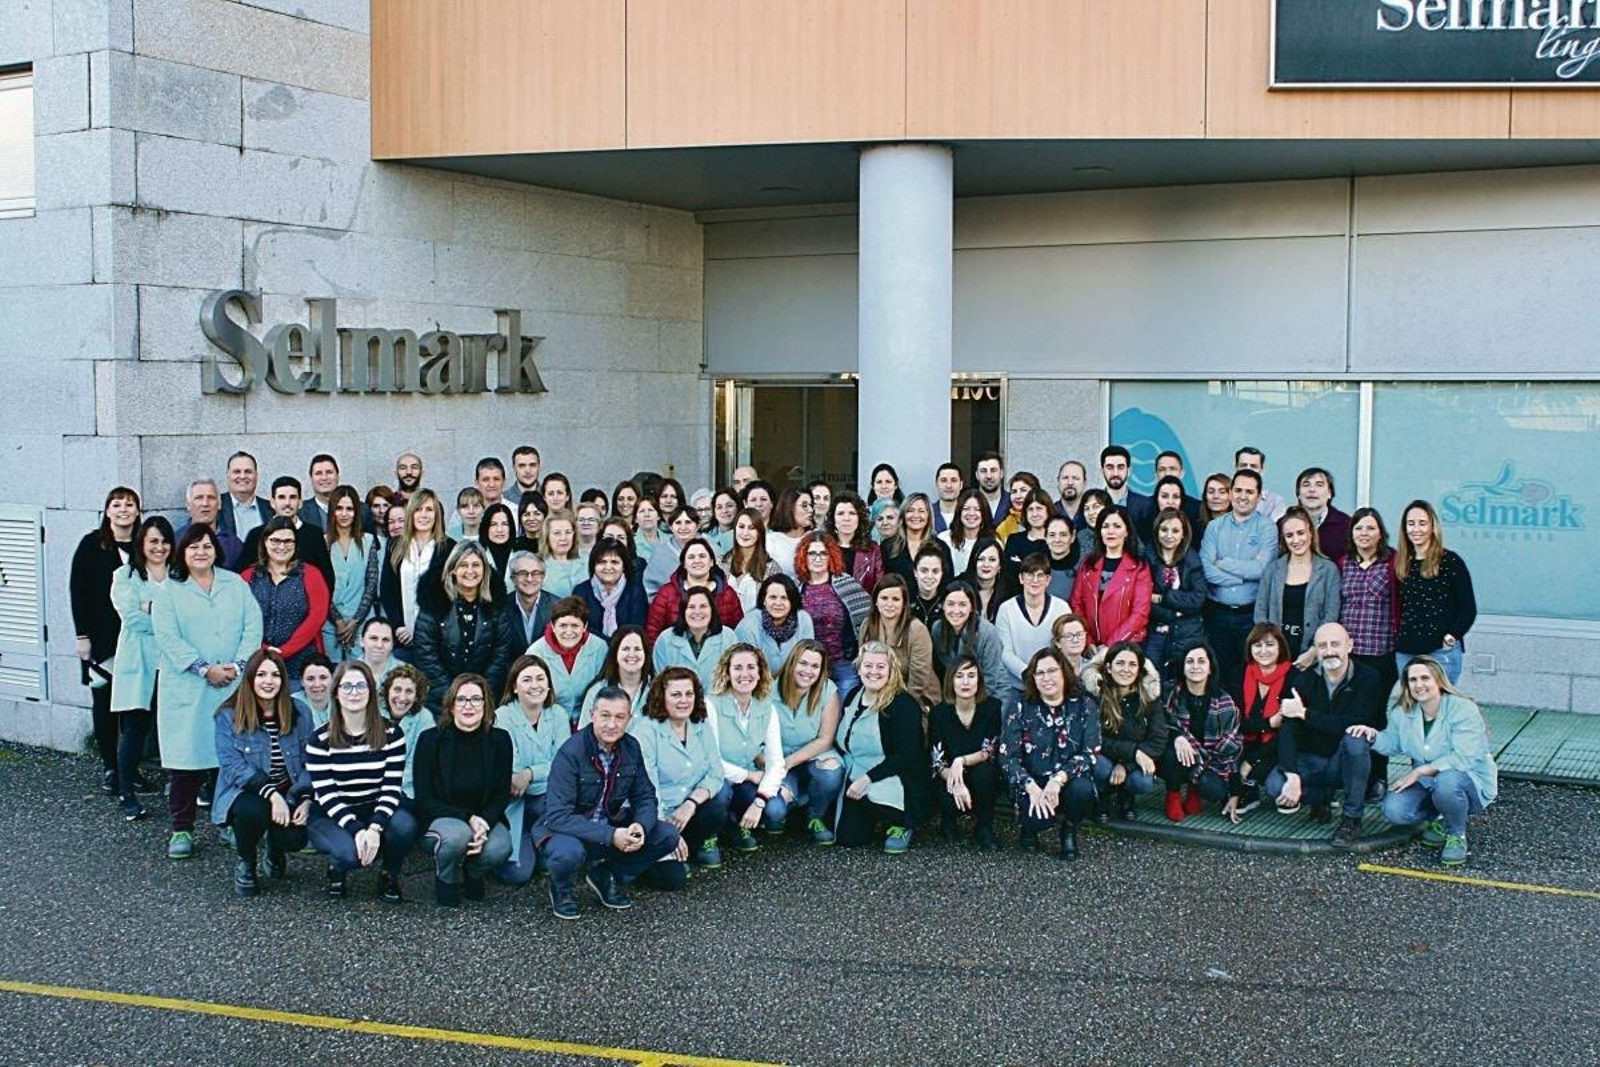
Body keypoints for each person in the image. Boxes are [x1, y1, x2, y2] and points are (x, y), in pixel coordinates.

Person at [152, 524, 264, 860]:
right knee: (186, 763)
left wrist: (239, 665)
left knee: (228, 761)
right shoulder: (169, 591)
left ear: (216, 549)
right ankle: (182, 828)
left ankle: (228, 822)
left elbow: (252, 624)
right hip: (190, 686)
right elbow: (168, 638)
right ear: (181, 553)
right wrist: (204, 668)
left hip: (231, 683)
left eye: (206, 546)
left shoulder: (235, 584)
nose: (200, 552)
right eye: (192, 547)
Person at [537, 686, 681, 918]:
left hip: (610, 824)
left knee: (667, 835)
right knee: (567, 853)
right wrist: (611, 835)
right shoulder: (571, 752)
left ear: (628, 719)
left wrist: (640, 826)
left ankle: (608, 875)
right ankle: (561, 888)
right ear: (592, 714)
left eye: (619, 717)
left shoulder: (631, 746)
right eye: (605, 716)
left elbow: (644, 796)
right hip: (570, 831)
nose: (612, 724)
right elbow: (558, 816)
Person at [1355, 656, 1498, 867]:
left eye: (1425, 678)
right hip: (1430, 785)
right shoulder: (1402, 713)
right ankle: (1441, 818)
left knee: (1447, 782)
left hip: (1467, 782)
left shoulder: (1462, 709)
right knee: (1394, 809)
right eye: (1413, 680)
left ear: (1438, 681)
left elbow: (1465, 756)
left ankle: (1456, 835)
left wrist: (1420, 771)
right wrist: (1372, 736)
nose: (1419, 685)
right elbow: (1392, 743)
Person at [305, 660, 417, 901]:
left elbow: (391, 787)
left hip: (375, 807)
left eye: (361, 686)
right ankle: (337, 866)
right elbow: (327, 795)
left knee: (405, 825)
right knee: (349, 855)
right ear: (335, 692)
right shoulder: (319, 739)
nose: (354, 692)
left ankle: (389, 873)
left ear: (371, 692)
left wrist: (375, 828)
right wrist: (356, 830)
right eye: (346, 686)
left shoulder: (392, 734)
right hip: (331, 814)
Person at [1264, 623, 1381, 848]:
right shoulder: (1303, 679)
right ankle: (1321, 797)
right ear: (1315, 651)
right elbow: (1289, 727)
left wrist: (1305, 714)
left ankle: (1352, 819)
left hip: (1345, 760)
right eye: (1322, 645)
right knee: (1275, 786)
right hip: (1312, 757)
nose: (1329, 651)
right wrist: (1292, 775)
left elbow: (1354, 723)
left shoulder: (1368, 678)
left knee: (1356, 738)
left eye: (1335, 644)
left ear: (1350, 646)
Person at [213, 649, 313, 896]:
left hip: (288, 790)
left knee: (296, 838)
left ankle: (275, 847)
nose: (269, 681)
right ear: (249, 679)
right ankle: (246, 862)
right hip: (247, 791)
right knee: (253, 811)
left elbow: (311, 760)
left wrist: (306, 798)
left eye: (275, 675)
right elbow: (232, 766)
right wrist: (271, 794)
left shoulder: (300, 712)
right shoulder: (228, 715)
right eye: (261, 675)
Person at [413, 673, 514, 906]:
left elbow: (501, 793)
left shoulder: (500, 740)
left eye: (476, 699)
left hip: (484, 818)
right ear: (450, 705)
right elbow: (424, 798)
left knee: (500, 846)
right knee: (458, 836)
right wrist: (469, 819)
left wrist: (485, 822)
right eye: (461, 699)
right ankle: (445, 877)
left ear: (486, 704)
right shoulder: (430, 740)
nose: (469, 706)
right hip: (442, 820)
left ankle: (473, 871)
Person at [632, 667, 732, 886]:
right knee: (673, 880)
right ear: (662, 697)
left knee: (717, 806)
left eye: (689, 694)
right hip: (654, 815)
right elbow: (647, 790)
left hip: (686, 811)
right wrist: (667, 833)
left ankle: (687, 847)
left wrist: (691, 803)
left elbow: (716, 773)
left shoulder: (700, 724)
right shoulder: (645, 731)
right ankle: (637, 860)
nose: (683, 700)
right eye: (676, 694)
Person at [72, 486, 141, 798]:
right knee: (104, 705)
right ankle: (110, 768)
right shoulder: (92, 544)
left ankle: (131, 768)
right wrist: (82, 636)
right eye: (117, 504)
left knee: (136, 709)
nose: (124, 510)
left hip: (137, 639)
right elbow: (79, 591)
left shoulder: (144, 545)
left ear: (138, 511)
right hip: (102, 640)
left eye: (129, 504)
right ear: (108, 510)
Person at [999, 647, 1099, 858]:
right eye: (1040, 673)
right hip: (1032, 781)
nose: (1046, 678)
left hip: (1067, 779)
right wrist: (1031, 787)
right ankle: (1029, 830)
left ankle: (1069, 830)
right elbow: (1008, 756)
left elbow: (1090, 753)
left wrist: (1058, 780)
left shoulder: (1085, 704)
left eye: (1052, 671)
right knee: (1037, 819)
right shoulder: (1020, 704)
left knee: (1083, 789)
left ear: (1064, 672)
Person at [108, 516, 174, 820]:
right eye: (153, 541)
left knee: (172, 727)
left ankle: (181, 787)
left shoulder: (179, 574)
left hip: (173, 663)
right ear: (141, 544)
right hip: (140, 661)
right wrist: (166, 617)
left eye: (164, 541)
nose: (159, 547)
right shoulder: (125, 575)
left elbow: (188, 613)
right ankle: (126, 793)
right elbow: (132, 618)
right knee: (135, 728)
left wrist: (150, 607)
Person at [835, 643, 927, 853]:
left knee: (877, 801)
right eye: (868, 666)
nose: (873, 672)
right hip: (856, 773)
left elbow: (907, 756)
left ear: (891, 670)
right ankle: (873, 817)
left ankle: (901, 823)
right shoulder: (852, 697)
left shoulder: (903, 704)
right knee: (849, 839)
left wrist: (867, 779)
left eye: (880, 667)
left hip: (894, 775)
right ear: (859, 668)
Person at [492, 653, 570, 886]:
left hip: (545, 799)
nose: (534, 685)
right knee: (517, 875)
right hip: (513, 802)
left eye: (540, 678)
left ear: (548, 685)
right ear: (514, 687)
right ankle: (521, 837)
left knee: (551, 862)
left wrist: (530, 774)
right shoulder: (502, 717)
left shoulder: (558, 715)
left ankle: (539, 840)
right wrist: (526, 775)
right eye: (526, 680)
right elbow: (511, 771)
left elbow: (564, 765)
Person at [412, 541, 517, 712]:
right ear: (452, 569)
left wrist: (480, 694)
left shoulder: (496, 606)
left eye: (476, 565)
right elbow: (426, 655)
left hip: (485, 699)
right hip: (441, 701)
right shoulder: (433, 603)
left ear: (485, 570)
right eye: (463, 565)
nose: (470, 571)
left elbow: (501, 652)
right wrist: (453, 696)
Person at [703, 644, 788, 851]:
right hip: (717, 777)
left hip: (744, 779)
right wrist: (749, 775)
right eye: (737, 668)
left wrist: (759, 802)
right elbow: (710, 760)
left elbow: (776, 762)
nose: (744, 674)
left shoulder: (767, 708)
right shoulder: (711, 704)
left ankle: (737, 825)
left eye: (751, 667)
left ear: (760, 673)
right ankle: (708, 835)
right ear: (728, 672)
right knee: (720, 792)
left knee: (775, 809)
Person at [1199, 468, 1277, 692]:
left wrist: (1225, 563)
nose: (1243, 496)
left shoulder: (1267, 528)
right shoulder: (1215, 527)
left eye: (1249, 492)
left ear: (1259, 495)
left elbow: (1262, 569)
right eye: (1239, 490)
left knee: (1248, 676)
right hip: (1217, 614)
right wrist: (1243, 577)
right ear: (1231, 493)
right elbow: (1206, 569)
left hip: (1250, 615)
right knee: (1216, 673)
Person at [1395, 500, 1477, 685]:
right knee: (1411, 706)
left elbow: (1468, 608)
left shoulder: (1450, 562)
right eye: (1411, 523)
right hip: (1407, 650)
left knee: (1440, 707)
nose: (1416, 529)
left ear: (1433, 527)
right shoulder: (1401, 563)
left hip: (1440, 651)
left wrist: (1452, 636)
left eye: (1422, 523)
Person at [771, 640, 845, 846]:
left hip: (814, 755)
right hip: (778, 759)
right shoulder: (768, 690)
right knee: (774, 811)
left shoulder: (828, 690)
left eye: (815, 666)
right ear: (792, 662)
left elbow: (825, 739)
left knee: (832, 772)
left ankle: (815, 816)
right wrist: (775, 766)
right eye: (803, 663)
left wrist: (789, 762)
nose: (808, 671)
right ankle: (792, 801)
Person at [1160, 642, 1242, 823]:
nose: (1195, 666)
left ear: (1210, 668)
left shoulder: (1225, 703)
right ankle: (1173, 795)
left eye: (1201, 661)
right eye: (1189, 661)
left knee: (1215, 790)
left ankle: (1194, 789)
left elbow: (1233, 749)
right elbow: (1159, 724)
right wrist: (1177, 736)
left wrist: (1235, 793)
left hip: (1208, 761)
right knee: (1173, 752)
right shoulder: (1169, 692)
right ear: (1183, 667)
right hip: (1178, 757)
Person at [1084, 642, 1167, 820]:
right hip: (1104, 756)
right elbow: (1093, 738)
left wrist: (1126, 765)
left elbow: (1158, 739)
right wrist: (1134, 752)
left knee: (1143, 780)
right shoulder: (1094, 695)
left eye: (1132, 664)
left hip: (1131, 762)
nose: (1126, 670)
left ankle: (1126, 795)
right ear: (1108, 667)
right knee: (1100, 766)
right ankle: (1101, 796)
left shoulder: (1149, 697)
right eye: (1120, 663)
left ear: (1139, 670)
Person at [928, 655, 1003, 851]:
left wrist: (961, 761)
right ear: (951, 681)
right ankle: (948, 821)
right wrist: (956, 780)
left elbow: (990, 749)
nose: (966, 682)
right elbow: (937, 760)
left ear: (979, 680)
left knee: (986, 773)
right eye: (959, 676)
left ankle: (984, 826)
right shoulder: (939, 713)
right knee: (944, 792)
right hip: (949, 776)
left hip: (979, 770)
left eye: (971, 675)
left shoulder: (992, 707)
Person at [242, 516, 331, 678]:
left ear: (296, 544)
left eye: (288, 541)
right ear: (265, 542)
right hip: (257, 661)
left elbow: (317, 617)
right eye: (275, 540)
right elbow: (238, 619)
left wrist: (284, 651)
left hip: (302, 663)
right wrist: (263, 649)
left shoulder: (311, 574)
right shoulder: (248, 578)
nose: (282, 546)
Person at [1255, 506, 1342, 669]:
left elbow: (1331, 615)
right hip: (1276, 655)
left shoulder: (1329, 570)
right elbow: (1260, 612)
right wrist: (1270, 649)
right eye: (1289, 535)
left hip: (1313, 655)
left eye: (1300, 533)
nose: (1296, 540)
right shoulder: (1272, 570)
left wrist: (1313, 652)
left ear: (1310, 533)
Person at [378, 489, 454, 659]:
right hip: (402, 639)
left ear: (437, 514)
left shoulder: (449, 548)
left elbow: (452, 596)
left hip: (438, 641)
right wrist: (398, 626)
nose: (423, 515)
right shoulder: (395, 545)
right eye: (418, 509)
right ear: (411, 513)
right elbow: (387, 590)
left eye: (429, 509)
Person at [796, 532, 872, 695]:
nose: (818, 558)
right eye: (812, 553)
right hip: (809, 666)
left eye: (823, 553)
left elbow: (866, 619)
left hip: (843, 665)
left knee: (846, 713)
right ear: (804, 556)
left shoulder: (847, 584)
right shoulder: (796, 589)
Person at [1338, 507, 1400, 703]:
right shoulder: (1343, 563)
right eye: (1358, 528)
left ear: (1380, 533)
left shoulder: (1393, 561)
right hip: (1350, 650)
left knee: (1378, 705)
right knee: (1350, 703)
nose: (1364, 533)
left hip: (1381, 650)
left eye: (1371, 528)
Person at [1069, 506, 1152, 648]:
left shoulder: (1139, 568)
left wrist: (1110, 646)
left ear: (1127, 531)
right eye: (1105, 526)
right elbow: (1076, 604)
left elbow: (1140, 614)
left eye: (1117, 526)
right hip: (1091, 647)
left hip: (1126, 646)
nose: (1110, 531)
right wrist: (1087, 641)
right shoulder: (1088, 563)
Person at [1236, 623, 1293, 817]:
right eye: (1257, 645)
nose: (1263, 651)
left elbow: (1288, 733)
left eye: (1269, 645)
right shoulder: (1238, 673)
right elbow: (1234, 722)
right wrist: (1268, 723)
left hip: (1278, 747)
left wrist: (1251, 762)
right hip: (1242, 741)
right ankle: (1249, 790)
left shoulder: (1295, 677)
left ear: (1280, 647)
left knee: (1274, 786)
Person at [1144, 507, 1206, 682]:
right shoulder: (1146, 558)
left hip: (1187, 634)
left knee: (1182, 684)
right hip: (1155, 633)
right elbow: (1144, 600)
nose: (1169, 535)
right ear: (1157, 531)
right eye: (1164, 530)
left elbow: (1198, 599)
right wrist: (1175, 612)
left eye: (1175, 530)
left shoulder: (1192, 559)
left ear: (1183, 534)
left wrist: (1164, 598)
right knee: (1152, 684)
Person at [859, 574, 940, 708]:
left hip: (915, 697)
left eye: (896, 599)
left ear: (904, 604)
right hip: (876, 695)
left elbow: (918, 680)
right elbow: (864, 666)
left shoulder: (917, 630)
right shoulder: (866, 627)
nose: (889, 604)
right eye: (884, 598)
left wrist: (895, 706)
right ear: (876, 601)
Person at [238, 477, 334, 590]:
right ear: (272, 502)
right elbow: (242, 575)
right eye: (281, 497)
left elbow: (327, 578)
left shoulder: (314, 534)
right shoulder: (256, 535)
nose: (287, 503)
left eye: (293, 497)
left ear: (300, 502)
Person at [931, 581, 1014, 711]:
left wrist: (968, 709)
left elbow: (990, 680)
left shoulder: (987, 633)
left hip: (992, 692)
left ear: (971, 608)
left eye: (962, 605)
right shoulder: (937, 629)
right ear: (942, 606)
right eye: (950, 604)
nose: (956, 610)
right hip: (960, 690)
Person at [996, 554, 1072, 695]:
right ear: (1021, 578)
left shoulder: (1062, 608)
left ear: (1048, 580)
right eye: (1030, 575)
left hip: (1053, 684)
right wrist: (1028, 674)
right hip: (1016, 686)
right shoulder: (1006, 609)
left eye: (1040, 575)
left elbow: (1066, 648)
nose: (1035, 580)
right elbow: (1004, 652)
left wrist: (1046, 675)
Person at [646, 536, 743, 646]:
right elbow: (652, 631)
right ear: (684, 564)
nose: (697, 561)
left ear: (711, 562)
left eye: (702, 556)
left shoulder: (728, 594)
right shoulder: (667, 593)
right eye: (691, 557)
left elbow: (737, 632)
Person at [322, 485, 381, 663]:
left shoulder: (368, 540)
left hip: (362, 623)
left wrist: (355, 621)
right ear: (332, 511)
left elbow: (371, 583)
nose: (344, 514)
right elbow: (321, 587)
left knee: (362, 676)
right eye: (339, 508)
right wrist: (339, 621)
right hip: (331, 626)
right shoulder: (322, 543)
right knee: (331, 680)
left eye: (349, 509)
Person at [528, 598, 608, 724]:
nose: (569, 632)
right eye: (563, 626)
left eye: (575, 625)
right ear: (553, 626)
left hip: (589, 719)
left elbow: (603, 689)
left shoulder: (599, 647)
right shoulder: (536, 652)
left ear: (584, 626)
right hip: (548, 720)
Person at [651, 587, 736, 689]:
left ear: (712, 610)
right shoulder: (665, 640)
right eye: (691, 607)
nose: (697, 612)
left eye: (703, 606)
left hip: (719, 703)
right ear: (683, 611)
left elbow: (734, 680)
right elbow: (659, 683)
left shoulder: (728, 637)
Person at [734, 574, 815, 673]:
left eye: (784, 598)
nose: (778, 603)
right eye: (773, 597)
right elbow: (748, 671)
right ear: (764, 600)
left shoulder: (803, 619)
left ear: (792, 601)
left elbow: (807, 662)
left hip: (795, 683)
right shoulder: (747, 627)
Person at [575, 537, 648, 641]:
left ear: (624, 566)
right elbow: (581, 627)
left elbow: (636, 629)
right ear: (593, 565)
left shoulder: (635, 591)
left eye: (614, 562)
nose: (608, 567)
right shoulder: (581, 591)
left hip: (626, 649)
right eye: (602, 562)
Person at [577, 626, 653, 724]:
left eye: (637, 649)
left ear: (646, 654)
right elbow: (585, 735)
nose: (632, 654)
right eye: (625, 649)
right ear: (615, 654)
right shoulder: (596, 691)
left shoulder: (657, 691)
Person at [380, 662, 430, 801]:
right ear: (387, 691)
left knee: (402, 823)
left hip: (405, 790)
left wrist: (388, 788)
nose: (402, 697)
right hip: (371, 788)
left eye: (409, 691)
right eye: (397, 689)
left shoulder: (425, 719)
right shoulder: (372, 713)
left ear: (416, 696)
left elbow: (416, 766)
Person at [723, 507, 779, 612]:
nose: (745, 533)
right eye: (741, 527)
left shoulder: (771, 568)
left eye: (751, 528)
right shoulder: (722, 563)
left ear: (760, 532)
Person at [181, 478, 244, 570]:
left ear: (219, 504)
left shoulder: (234, 545)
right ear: (188, 505)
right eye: (199, 498)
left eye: (211, 498)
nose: (205, 503)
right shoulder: (176, 541)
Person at [828, 492, 884, 594]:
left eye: (852, 513)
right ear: (833, 519)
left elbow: (879, 587)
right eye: (840, 513)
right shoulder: (824, 548)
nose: (846, 518)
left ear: (860, 517)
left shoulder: (872, 550)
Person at [643, 505, 702, 596]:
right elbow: (650, 590)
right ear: (671, 527)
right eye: (678, 523)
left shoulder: (711, 549)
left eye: (688, 522)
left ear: (697, 526)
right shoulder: (660, 554)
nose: (683, 527)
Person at [1295, 467, 1350, 564]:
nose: (1312, 490)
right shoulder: (1285, 524)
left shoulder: (1346, 524)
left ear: (1330, 493)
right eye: (1306, 485)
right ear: (1298, 494)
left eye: (1319, 485)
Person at [1099, 445, 1154, 539]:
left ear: (1128, 471)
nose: (1115, 473)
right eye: (1110, 467)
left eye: (1120, 467)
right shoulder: (1094, 504)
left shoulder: (1145, 505)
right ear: (1102, 471)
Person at [938, 488, 997, 574]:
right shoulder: (943, 539)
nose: (971, 513)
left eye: (977, 509)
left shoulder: (994, 542)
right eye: (966, 509)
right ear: (959, 511)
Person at [505, 551, 556, 647]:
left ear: (543, 577)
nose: (529, 579)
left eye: (535, 573)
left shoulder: (557, 606)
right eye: (523, 573)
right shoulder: (501, 607)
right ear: (513, 578)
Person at [218, 451, 271, 541]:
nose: (242, 476)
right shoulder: (216, 506)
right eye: (237, 471)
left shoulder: (270, 508)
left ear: (256, 475)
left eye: (248, 471)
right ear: (228, 475)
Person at [1001, 488, 1054, 573]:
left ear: (1048, 511)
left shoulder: (1055, 542)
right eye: (1030, 509)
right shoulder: (1014, 540)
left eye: (1039, 508)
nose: (1035, 514)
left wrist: (1021, 565)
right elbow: (1006, 573)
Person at [963, 537, 1014, 622]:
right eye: (981, 559)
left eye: (992, 560)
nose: (986, 564)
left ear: (999, 566)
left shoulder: (1010, 591)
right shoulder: (961, 588)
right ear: (974, 563)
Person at [539, 508, 586, 599]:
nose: (563, 538)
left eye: (568, 532)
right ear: (547, 536)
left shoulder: (587, 560)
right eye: (557, 533)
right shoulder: (537, 564)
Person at [1235, 447, 1288, 522]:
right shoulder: (1225, 497)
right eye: (1243, 465)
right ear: (1236, 468)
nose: (1248, 469)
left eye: (1253, 466)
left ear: (1262, 471)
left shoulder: (1275, 502)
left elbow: (1273, 531)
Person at [908, 544, 951, 631]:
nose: (929, 576)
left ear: (942, 573)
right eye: (924, 571)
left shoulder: (949, 602)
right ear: (915, 572)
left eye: (935, 571)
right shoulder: (905, 601)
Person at [479, 502, 519, 587]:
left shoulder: (522, 553)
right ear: (486, 527)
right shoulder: (478, 554)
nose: (500, 530)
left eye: (505, 524)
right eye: (493, 524)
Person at [1043, 514, 1079, 601]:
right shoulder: (1038, 566)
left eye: (1063, 535)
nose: (1057, 540)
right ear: (1045, 538)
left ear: (1072, 537)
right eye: (1052, 535)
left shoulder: (1083, 568)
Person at [300, 453, 340, 529]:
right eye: (318, 473)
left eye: (329, 472)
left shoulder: (361, 511)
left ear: (338, 476)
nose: (324, 478)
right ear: (311, 478)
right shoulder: (300, 512)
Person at [293, 654, 334, 726]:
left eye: (323, 677)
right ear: (302, 681)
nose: (317, 684)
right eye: (310, 679)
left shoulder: (343, 701)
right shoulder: (291, 705)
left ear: (332, 678)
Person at [1052, 613, 1095, 680]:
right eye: (1068, 636)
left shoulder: (1093, 667)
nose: (1075, 640)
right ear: (1057, 643)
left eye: (1079, 634)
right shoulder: (1052, 670)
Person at [1074, 488, 1111, 562]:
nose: (1091, 513)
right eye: (1086, 508)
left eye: (1096, 507)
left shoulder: (1121, 532)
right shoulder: (1081, 536)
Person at [931, 461, 965, 533]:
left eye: (954, 480)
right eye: (943, 480)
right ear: (937, 484)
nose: (948, 485)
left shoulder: (970, 514)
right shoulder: (927, 514)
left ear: (961, 485)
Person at [630, 497, 663, 566]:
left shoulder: (670, 539)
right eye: (642, 511)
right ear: (635, 519)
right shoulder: (630, 543)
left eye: (651, 510)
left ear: (658, 516)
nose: (647, 514)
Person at [707, 489, 740, 555]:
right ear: (714, 512)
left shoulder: (745, 534)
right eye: (719, 507)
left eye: (729, 506)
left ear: (737, 508)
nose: (724, 510)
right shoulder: (706, 537)